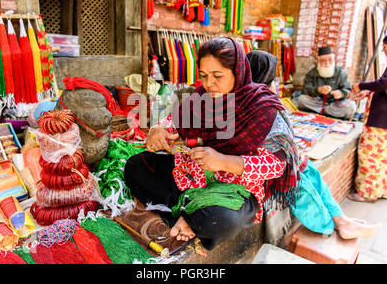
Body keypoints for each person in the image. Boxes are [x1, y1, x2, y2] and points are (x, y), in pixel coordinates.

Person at [125, 37, 301, 250]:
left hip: (233, 191)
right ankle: (190, 217)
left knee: (224, 220)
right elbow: (172, 121)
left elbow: (276, 165)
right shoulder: (201, 97)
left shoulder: (261, 106)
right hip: (191, 176)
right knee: (136, 165)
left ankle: (192, 217)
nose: (209, 84)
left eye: (218, 75)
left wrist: (223, 161)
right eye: (204, 76)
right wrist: (158, 131)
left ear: (238, 71)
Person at [247, 50, 381, 238]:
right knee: (300, 181)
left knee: (310, 169)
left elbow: (346, 91)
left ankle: (341, 219)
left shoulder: (340, 73)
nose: (275, 82)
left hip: (324, 112)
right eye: (272, 77)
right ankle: (330, 225)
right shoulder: (253, 100)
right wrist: (317, 91)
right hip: (264, 164)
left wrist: (337, 93)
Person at [348, 31, 387, 202]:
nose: (383, 50)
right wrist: (367, 93)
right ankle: (381, 191)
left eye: (386, 46)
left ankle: (366, 193)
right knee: (386, 157)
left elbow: (386, 83)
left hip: (385, 121)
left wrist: (361, 85)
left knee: (371, 155)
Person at [296, 46, 356, 120]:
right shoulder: (312, 73)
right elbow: (305, 90)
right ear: (318, 61)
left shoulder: (341, 73)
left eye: (330, 60)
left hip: (335, 104)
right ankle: (327, 112)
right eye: (323, 60)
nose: (327, 63)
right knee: (301, 100)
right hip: (318, 102)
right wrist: (318, 90)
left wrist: (341, 93)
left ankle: (323, 111)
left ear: (334, 60)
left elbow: (348, 91)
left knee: (350, 106)